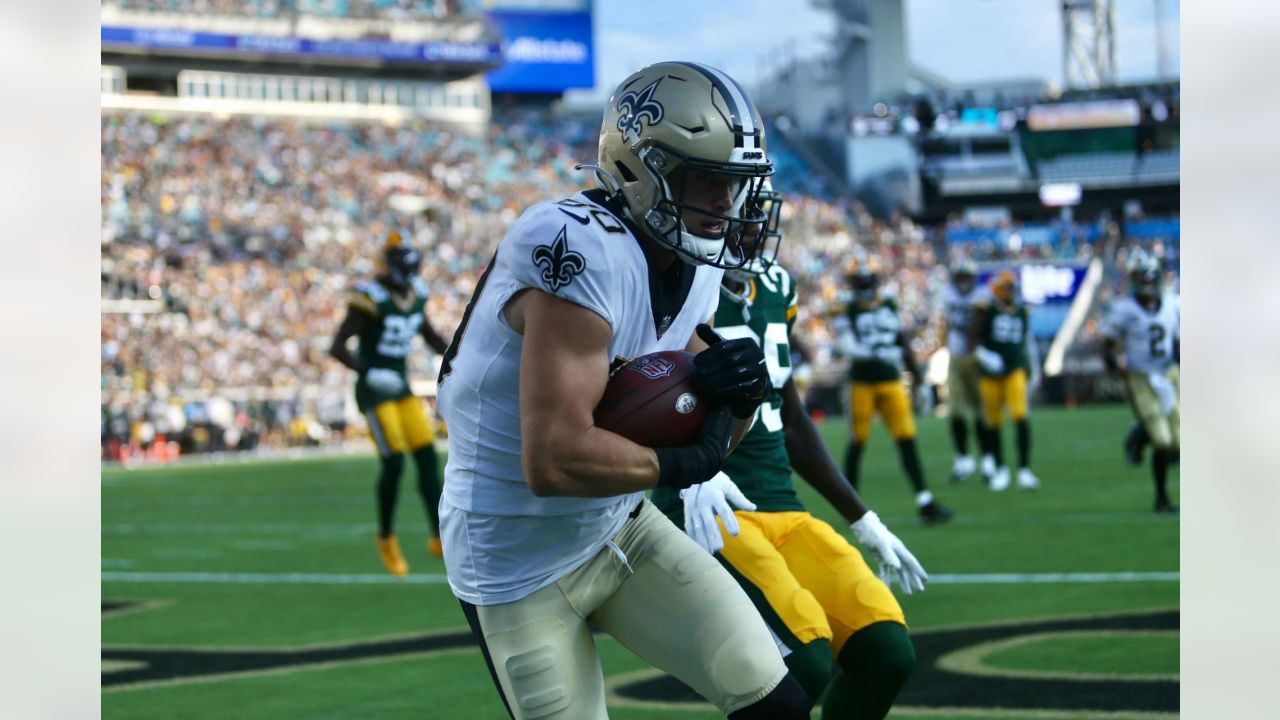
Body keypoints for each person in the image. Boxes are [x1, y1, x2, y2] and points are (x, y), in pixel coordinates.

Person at [434, 62, 811, 719]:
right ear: (641, 168)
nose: (727, 203)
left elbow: (713, 432)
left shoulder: (692, 262)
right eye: (708, 179)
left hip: (618, 525)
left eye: (735, 184)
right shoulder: (577, 246)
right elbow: (552, 459)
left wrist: (737, 399)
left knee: (773, 703)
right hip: (517, 558)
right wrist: (681, 464)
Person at [652, 188, 927, 717]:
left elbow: (792, 416)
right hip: (710, 508)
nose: (755, 225)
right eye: (742, 212)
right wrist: (689, 471)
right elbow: (634, 394)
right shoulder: (672, 283)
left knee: (886, 651)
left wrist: (863, 519)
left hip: (784, 507)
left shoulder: (776, 286)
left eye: (758, 212)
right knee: (803, 661)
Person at [328, 232, 453, 576]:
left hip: (400, 387)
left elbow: (428, 334)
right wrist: (366, 371)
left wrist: (459, 354)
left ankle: (438, 535)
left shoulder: (415, 295)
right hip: (374, 389)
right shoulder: (371, 297)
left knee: (428, 456)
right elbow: (337, 346)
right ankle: (385, 537)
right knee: (395, 462)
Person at [833, 258, 953, 525]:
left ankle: (925, 502)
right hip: (861, 383)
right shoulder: (846, 308)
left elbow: (902, 340)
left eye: (867, 279)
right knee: (857, 443)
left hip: (891, 381)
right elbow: (847, 345)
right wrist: (875, 352)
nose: (864, 284)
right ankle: (847, 506)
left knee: (907, 438)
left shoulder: (888, 304)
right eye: (859, 280)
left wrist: (918, 379)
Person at [1100, 250, 1180, 513]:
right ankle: (1161, 499)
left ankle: (1140, 432)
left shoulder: (1172, 303)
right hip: (1141, 378)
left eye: (1149, 277)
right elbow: (1107, 344)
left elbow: (1177, 341)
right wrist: (1115, 368)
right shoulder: (1125, 309)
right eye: (1141, 278)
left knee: (1180, 444)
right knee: (1163, 442)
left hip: (1169, 374)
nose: (1146, 283)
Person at [967, 269, 1041, 491]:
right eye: (1007, 288)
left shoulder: (1022, 311)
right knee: (993, 423)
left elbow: (1027, 343)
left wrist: (1034, 371)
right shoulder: (986, 310)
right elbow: (972, 337)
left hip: (1014, 371)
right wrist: (983, 355)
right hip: (990, 375)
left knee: (1020, 417)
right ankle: (1000, 468)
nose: (1010, 292)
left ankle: (1024, 470)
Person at [940, 259, 994, 483]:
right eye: (959, 277)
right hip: (955, 356)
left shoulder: (982, 295)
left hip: (976, 357)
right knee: (957, 411)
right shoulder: (946, 294)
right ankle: (963, 459)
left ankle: (987, 458)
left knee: (982, 411)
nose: (962, 282)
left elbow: (984, 324)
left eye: (966, 277)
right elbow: (945, 323)